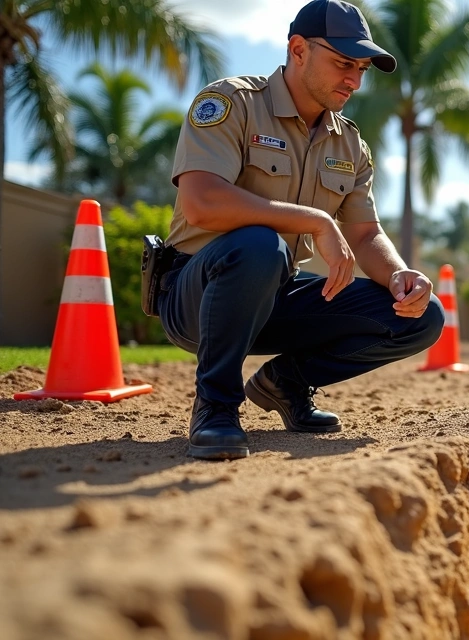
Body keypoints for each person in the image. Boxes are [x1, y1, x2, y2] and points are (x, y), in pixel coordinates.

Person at [159, 0, 444, 460]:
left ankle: (285, 381)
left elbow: (365, 233)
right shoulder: (233, 102)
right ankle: (215, 406)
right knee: (259, 244)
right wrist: (314, 219)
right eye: (343, 63)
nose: (354, 80)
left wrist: (397, 276)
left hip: (274, 294)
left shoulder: (349, 141)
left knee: (421, 314)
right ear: (297, 49)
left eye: (362, 68)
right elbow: (201, 203)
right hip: (196, 294)